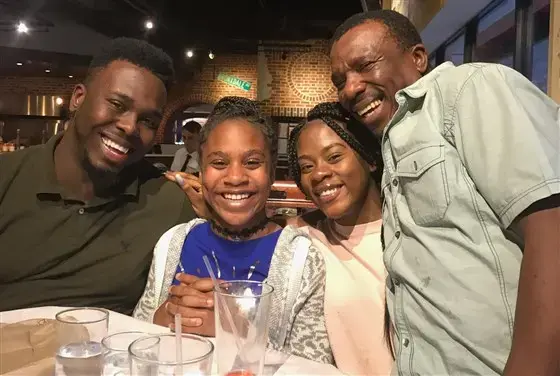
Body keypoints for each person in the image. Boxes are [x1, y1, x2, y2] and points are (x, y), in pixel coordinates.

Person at [330, 9, 560, 376]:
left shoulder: (469, 89)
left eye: (365, 65)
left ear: (418, 58)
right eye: (340, 80)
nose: (350, 88)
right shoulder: (391, 143)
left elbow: (552, 226)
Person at [0, 37, 196, 315]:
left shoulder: (167, 202)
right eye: (117, 104)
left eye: (148, 121)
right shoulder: (7, 179)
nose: (130, 127)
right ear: (78, 98)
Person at [133, 96, 333, 363]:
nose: (236, 177)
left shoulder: (302, 259)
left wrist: (237, 329)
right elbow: (134, 338)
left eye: (252, 162)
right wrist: (162, 317)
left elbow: (314, 368)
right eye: (218, 163)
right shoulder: (174, 243)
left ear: (272, 172)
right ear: (201, 172)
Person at [287, 102, 393, 375]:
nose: (319, 173)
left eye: (334, 157)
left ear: (369, 158)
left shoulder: (409, 233)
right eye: (306, 166)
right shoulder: (303, 240)